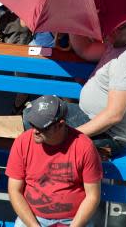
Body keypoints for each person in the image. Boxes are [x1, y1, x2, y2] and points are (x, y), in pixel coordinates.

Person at [54, 18, 126, 156]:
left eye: (116, 29)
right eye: (107, 27)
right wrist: (72, 20)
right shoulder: (117, 44)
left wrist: (72, 135)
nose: (109, 33)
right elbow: (85, 49)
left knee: (47, 137)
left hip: (109, 135)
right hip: (88, 116)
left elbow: (113, 115)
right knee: (35, 114)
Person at [9, 95, 102, 227]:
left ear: (60, 125)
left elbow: (92, 196)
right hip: (33, 217)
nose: (35, 130)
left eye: (42, 127)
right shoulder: (23, 142)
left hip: (74, 220)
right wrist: (34, 225)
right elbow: (14, 191)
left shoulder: (84, 147)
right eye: (33, 124)